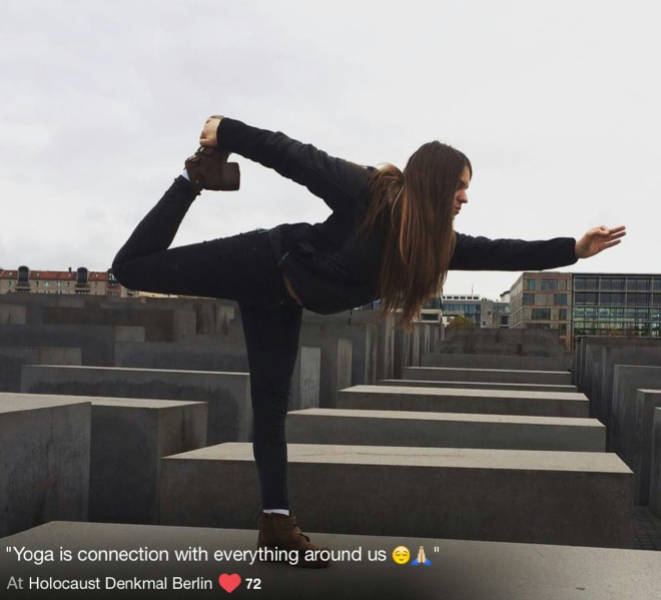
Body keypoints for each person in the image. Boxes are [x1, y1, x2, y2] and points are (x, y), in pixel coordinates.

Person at [111, 115, 626, 569]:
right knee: (131, 268)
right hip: (263, 260)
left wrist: (573, 250)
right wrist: (229, 132)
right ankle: (192, 178)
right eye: (461, 186)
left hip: (283, 300)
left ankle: (275, 525)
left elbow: (501, 251)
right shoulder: (368, 192)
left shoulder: (430, 245)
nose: (465, 197)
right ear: (437, 181)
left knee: (271, 407)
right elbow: (295, 156)